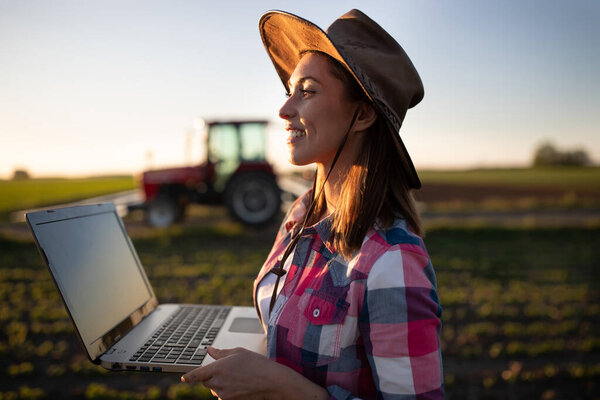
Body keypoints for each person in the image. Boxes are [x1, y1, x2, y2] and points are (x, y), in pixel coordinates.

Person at [181, 9, 444, 399]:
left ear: (364, 114)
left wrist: (279, 386)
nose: (285, 110)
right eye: (289, 91)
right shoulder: (301, 214)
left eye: (306, 91)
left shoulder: (392, 263)